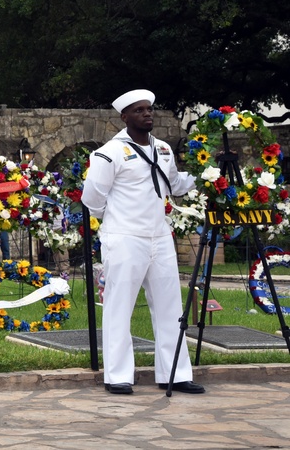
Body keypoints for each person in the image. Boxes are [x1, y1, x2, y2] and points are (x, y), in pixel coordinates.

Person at [81, 89, 205, 395]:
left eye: (149, 109)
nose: (147, 114)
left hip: (159, 236)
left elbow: (174, 184)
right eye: (139, 110)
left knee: (170, 306)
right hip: (124, 237)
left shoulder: (163, 149)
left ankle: (174, 373)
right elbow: (92, 197)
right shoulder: (109, 153)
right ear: (125, 117)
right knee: (119, 306)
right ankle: (118, 376)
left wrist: (208, 176)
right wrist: (114, 219)